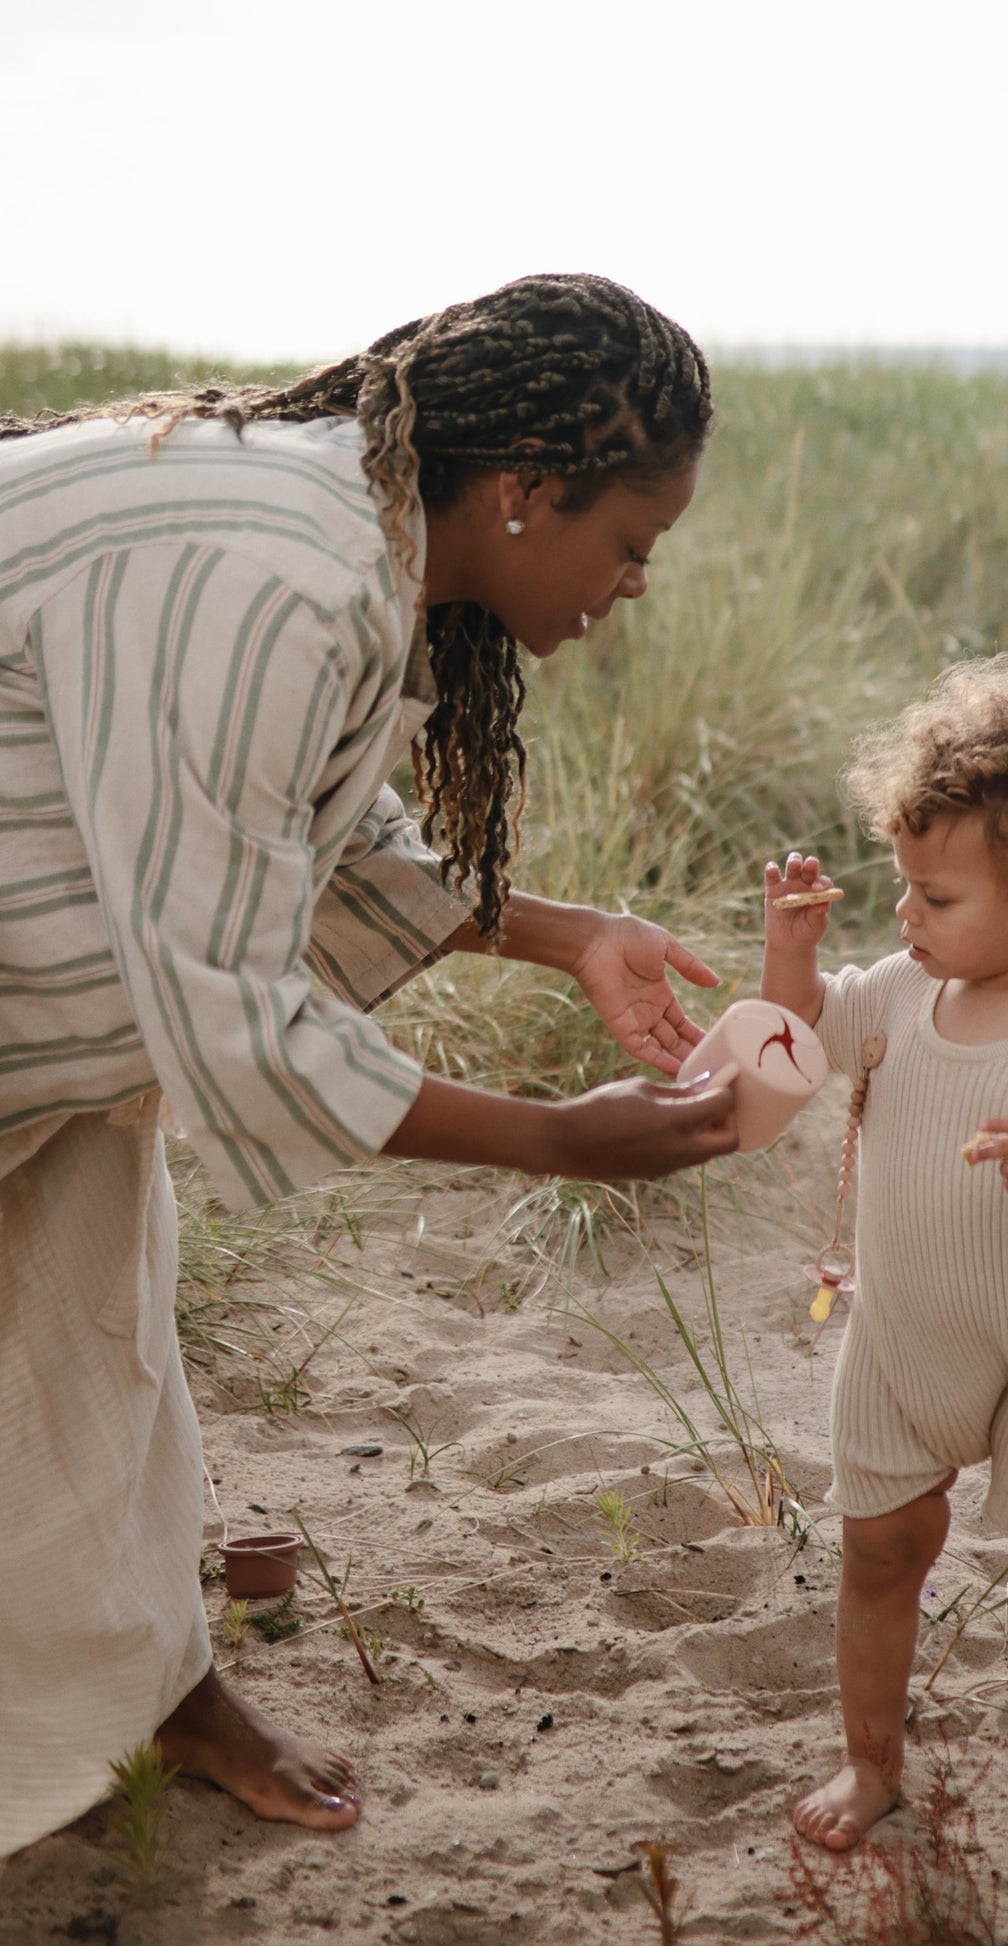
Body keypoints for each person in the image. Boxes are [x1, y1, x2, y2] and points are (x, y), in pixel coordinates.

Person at [0, 274, 741, 1860]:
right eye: (631, 543)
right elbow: (235, 1009)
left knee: (86, 1336)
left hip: (38, 988)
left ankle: (152, 1688)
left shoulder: (354, 544)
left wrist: (568, 932)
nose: (631, 586)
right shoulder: (277, 571)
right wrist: (557, 1140)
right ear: (527, 491)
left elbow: (301, 832)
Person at [759, 657, 1008, 1852]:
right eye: (903, 889)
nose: (904, 917)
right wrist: (790, 949)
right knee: (878, 1550)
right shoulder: (894, 994)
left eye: (934, 898)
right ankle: (869, 1761)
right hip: (902, 1345)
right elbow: (793, 1046)